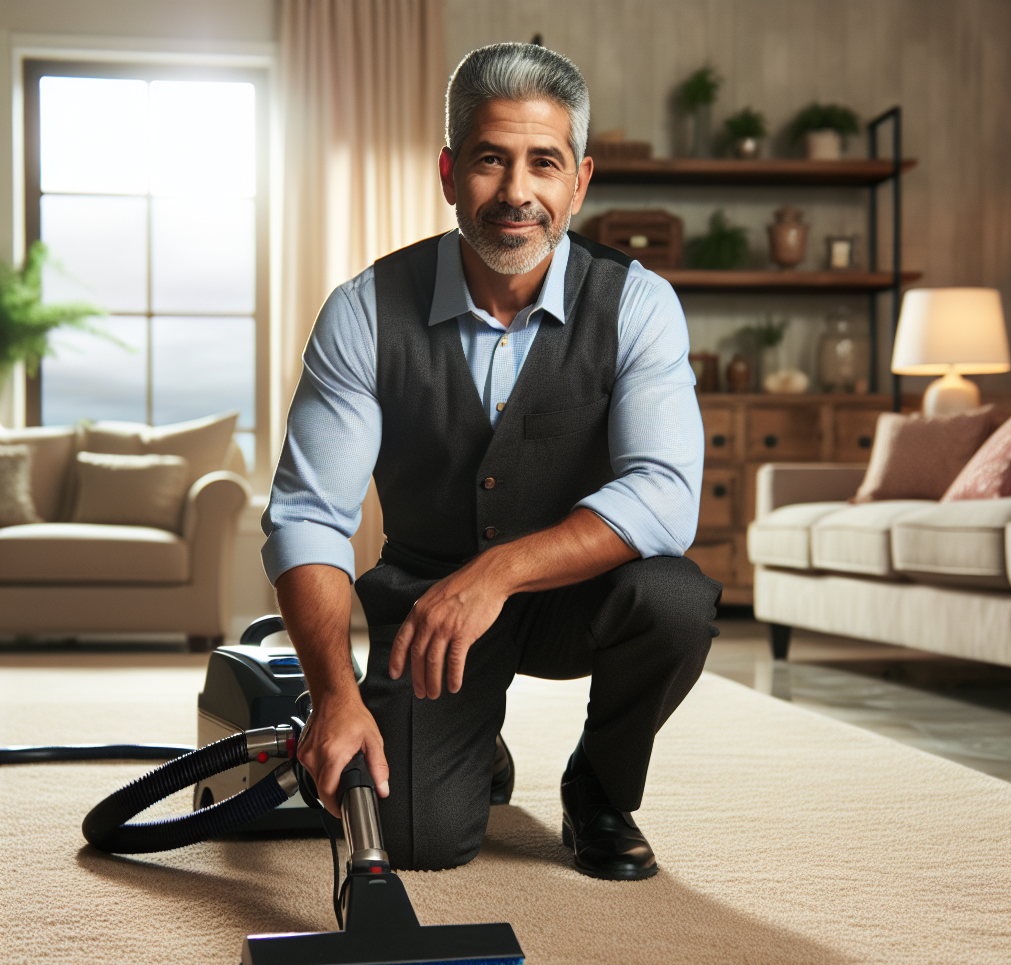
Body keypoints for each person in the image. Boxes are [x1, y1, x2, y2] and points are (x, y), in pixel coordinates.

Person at [262, 41, 721, 881]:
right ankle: (473, 743)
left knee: (675, 598)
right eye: (489, 161)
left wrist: (498, 574)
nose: (517, 193)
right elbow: (306, 519)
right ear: (447, 172)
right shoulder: (363, 312)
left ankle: (600, 791)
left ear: (578, 182)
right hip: (426, 605)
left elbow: (663, 496)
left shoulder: (640, 304)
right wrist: (334, 695)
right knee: (414, 842)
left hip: (574, 599)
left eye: (544, 164)